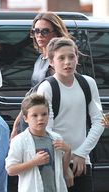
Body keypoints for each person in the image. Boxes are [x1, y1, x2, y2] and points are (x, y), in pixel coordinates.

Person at [37, 37, 105, 192]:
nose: (67, 62)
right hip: (55, 161)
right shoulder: (47, 88)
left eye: (71, 57)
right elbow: (46, 130)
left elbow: (99, 121)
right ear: (52, 62)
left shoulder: (88, 83)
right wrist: (64, 162)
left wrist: (82, 153)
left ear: (77, 58)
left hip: (82, 159)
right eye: (61, 58)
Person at [11, 12, 72, 139]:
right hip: (32, 117)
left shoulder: (58, 63)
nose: (39, 35)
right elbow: (32, 94)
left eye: (44, 31)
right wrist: (16, 124)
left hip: (46, 122)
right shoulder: (40, 59)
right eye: (36, 31)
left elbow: (60, 98)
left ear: (55, 33)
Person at [5, 93, 71, 192]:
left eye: (44, 114)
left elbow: (61, 169)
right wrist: (34, 162)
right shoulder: (19, 141)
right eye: (34, 115)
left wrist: (68, 151)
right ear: (26, 118)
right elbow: (10, 170)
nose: (40, 118)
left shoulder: (56, 138)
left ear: (49, 115)